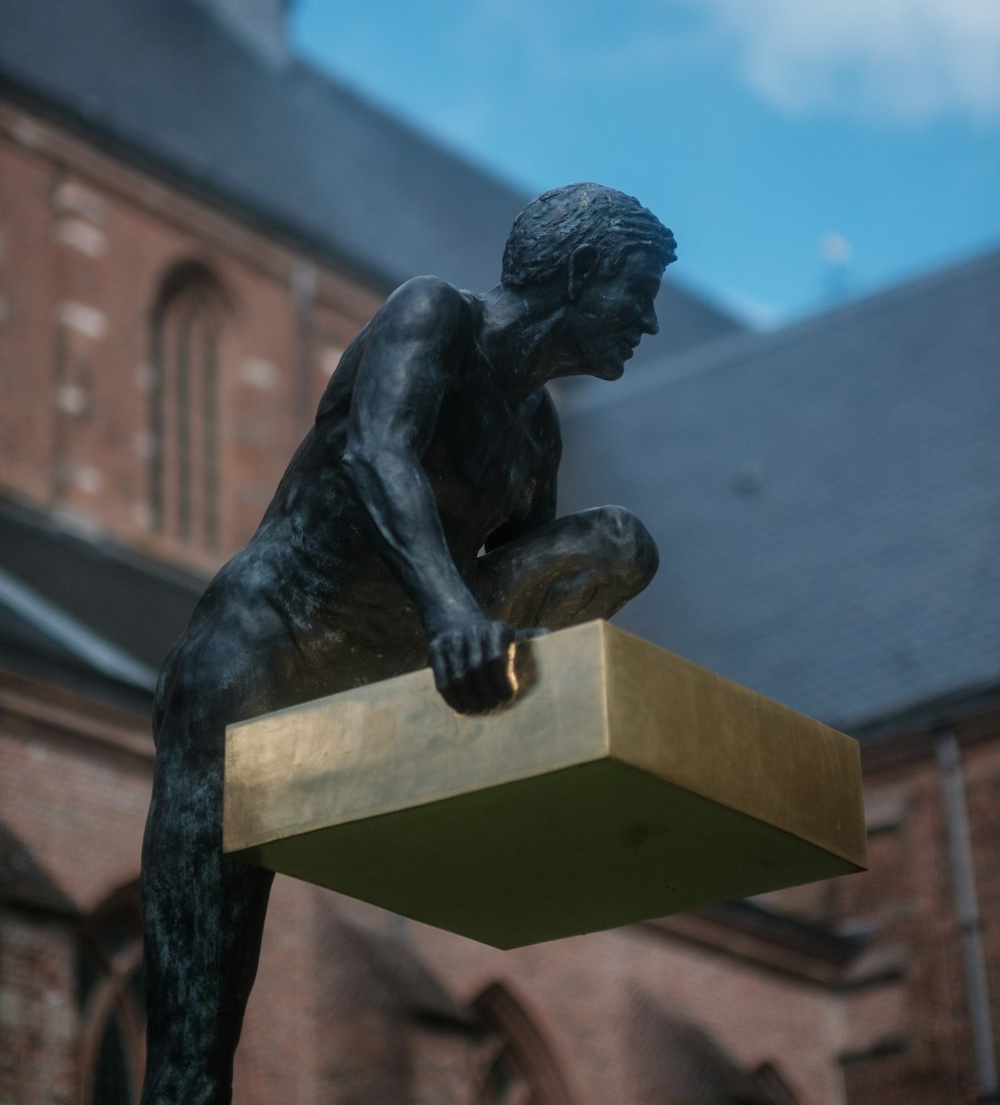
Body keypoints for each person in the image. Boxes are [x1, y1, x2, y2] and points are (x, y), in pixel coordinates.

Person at [139, 182, 677, 1104]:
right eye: (640, 291)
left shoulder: (536, 431)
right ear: (583, 274)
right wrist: (451, 614)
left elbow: (521, 576)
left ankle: (482, 746)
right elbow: (377, 455)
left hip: (406, 649)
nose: (653, 323)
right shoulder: (432, 315)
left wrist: (494, 658)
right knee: (192, 1065)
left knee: (618, 543)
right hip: (277, 634)